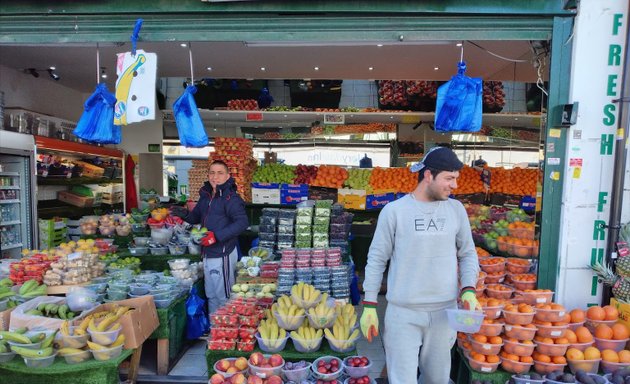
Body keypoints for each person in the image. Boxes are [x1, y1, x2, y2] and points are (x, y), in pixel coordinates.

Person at [359, 146, 480, 384]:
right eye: (449, 178)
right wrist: (370, 304)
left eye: (456, 178)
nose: (455, 185)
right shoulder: (394, 212)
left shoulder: (456, 210)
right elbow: (376, 259)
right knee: (402, 379)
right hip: (403, 313)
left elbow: (467, 254)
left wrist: (469, 288)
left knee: (437, 379)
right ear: (428, 175)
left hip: (443, 314)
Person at [171, 160, 249, 314]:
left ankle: (227, 330)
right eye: (212, 173)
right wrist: (185, 214)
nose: (215, 177)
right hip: (207, 252)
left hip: (223, 253)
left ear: (227, 176)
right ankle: (215, 330)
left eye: (220, 173)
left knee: (224, 296)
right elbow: (196, 217)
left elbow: (242, 223)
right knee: (211, 295)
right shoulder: (206, 196)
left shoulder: (231, 198)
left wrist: (217, 236)